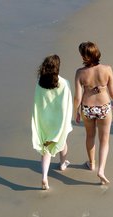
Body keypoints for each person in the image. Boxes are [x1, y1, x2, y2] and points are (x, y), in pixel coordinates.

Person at [74, 41, 113, 185]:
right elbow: (112, 90)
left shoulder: (80, 73)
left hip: (87, 108)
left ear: (84, 56)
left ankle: (92, 163)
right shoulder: (107, 69)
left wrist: (76, 111)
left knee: (90, 136)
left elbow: (77, 97)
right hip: (104, 107)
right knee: (104, 140)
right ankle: (101, 170)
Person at [32, 55, 73, 190]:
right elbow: (66, 105)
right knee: (62, 141)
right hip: (58, 121)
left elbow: (37, 104)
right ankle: (62, 163)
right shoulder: (63, 83)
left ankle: (44, 177)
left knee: (46, 150)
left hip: (44, 121)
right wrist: (66, 121)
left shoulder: (40, 84)